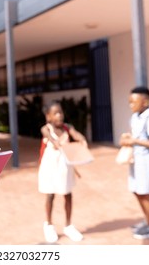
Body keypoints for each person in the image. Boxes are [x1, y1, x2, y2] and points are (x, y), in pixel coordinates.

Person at [38, 101, 87, 242]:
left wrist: (82, 140)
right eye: (55, 113)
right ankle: (48, 225)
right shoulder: (46, 129)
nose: (59, 115)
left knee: (68, 194)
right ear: (48, 117)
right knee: (50, 196)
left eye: (61, 112)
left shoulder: (68, 128)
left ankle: (68, 225)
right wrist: (57, 142)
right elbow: (52, 140)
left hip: (65, 167)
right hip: (51, 168)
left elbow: (77, 135)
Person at [119, 86, 149, 239]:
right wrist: (126, 139)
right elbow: (133, 135)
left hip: (144, 160)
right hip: (134, 159)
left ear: (145, 102)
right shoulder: (135, 117)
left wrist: (134, 140)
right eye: (129, 102)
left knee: (145, 192)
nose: (130, 105)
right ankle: (147, 220)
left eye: (133, 102)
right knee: (136, 190)